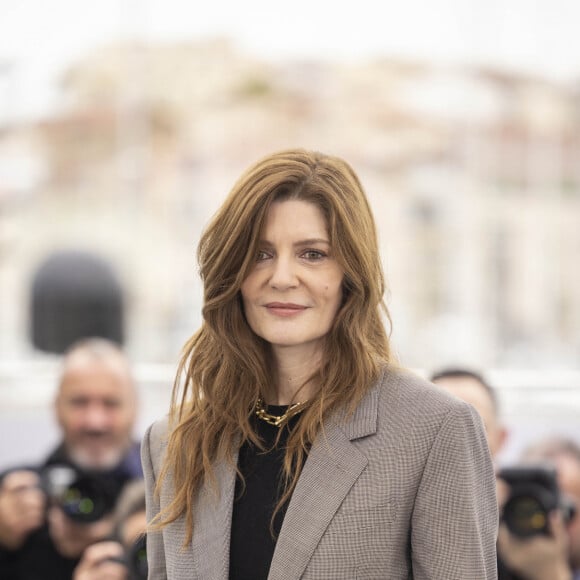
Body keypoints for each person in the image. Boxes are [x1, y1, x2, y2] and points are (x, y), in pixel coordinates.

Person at [142, 149, 498, 579]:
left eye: (312, 254)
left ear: (351, 272)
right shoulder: (173, 442)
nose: (283, 277)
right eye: (260, 253)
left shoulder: (434, 430)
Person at [0, 337, 143, 579]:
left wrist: (124, 536)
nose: (95, 422)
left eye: (111, 403)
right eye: (79, 402)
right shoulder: (14, 493)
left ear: (135, 408)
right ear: (56, 408)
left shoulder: (167, 496)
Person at [431, 367, 574, 580]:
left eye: (474, 425)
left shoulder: (528, 512)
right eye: (436, 426)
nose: (455, 440)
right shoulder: (391, 515)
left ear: (502, 437)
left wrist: (550, 572)